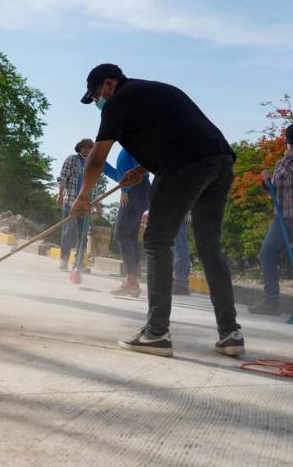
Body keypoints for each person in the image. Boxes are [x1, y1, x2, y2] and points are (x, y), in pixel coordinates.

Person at [71, 63, 243, 358]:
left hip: (185, 163)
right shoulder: (154, 90)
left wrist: (83, 197)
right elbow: (177, 135)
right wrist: (140, 168)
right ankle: (230, 333)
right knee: (209, 246)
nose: (98, 101)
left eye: (97, 94)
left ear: (109, 85)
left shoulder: (118, 102)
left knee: (157, 241)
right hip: (219, 160)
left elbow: (98, 157)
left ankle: (156, 333)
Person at [249, 124, 293, 315]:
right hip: (283, 218)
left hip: (287, 219)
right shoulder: (282, 163)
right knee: (267, 255)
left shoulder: (285, 162)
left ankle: (272, 301)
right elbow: (276, 191)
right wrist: (267, 184)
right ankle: (272, 302)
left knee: (267, 255)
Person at [103, 148, 151, 296]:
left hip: (136, 190)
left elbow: (139, 170)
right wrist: (102, 165)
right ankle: (133, 281)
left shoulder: (134, 143)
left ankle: (131, 281)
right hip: (136, 190)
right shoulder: (126, 148)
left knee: (121, 234)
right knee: (129, 237)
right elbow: (120, 175)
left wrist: (126, 189)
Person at [57, 139, 94, 271]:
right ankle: (64, 260)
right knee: (68, 231)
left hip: (86, 205)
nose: (86, 149)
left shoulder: (93, 163)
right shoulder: (71, 159)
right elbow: (62, 177)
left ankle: (78, 264)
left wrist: (97, 205)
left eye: (90, 147)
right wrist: (60, 195)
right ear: (79, 147)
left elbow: (94, 186)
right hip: (70, 202)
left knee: (83, 235)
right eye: (84, 147)